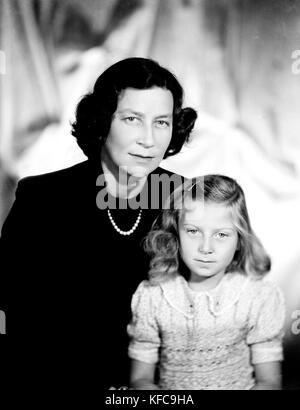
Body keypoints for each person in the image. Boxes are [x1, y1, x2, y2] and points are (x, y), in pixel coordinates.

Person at [0, 58, 197, 388]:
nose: (148, 140)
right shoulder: (43, 199)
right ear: (103, 120)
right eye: (133, 119)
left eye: (161, 122)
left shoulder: (184, 198)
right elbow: (16, 319)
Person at [128, 174, 285, 390]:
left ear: (239, 240)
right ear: (175, 234)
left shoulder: (258, 297)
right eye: (193, 231)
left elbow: (269, 382)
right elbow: (140, 379)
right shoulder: (153, 296)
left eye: (221, 234)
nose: (206, 247)